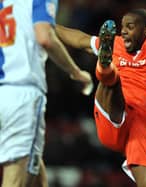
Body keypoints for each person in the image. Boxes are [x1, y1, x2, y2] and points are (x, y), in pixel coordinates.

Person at [55, 0, 146, 186]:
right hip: (113, 114)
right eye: (122, 27)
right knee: (114, 83)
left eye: (130, 26)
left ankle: (106, 69)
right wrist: (48, 25)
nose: (123, 31)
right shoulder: (115, 43)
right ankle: (106, 68)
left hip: (144, 124)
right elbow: (79, 39)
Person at [0, 0, 92, 187]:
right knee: (15, 178)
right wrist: (76, 72)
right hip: (21, 93)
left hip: (4, 90)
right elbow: (45, 37)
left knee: (34, 167)